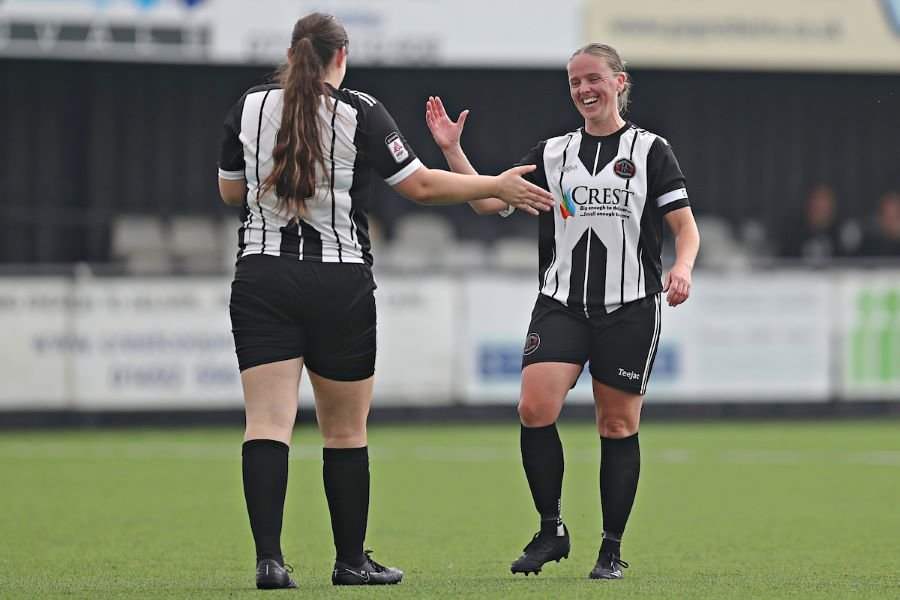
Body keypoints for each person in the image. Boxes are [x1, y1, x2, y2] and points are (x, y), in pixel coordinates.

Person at [216, 12, 553, 590]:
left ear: (293, 54)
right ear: (340, 56)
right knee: (344, 431)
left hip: (262, 280)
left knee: (266, 424)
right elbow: (419, 185)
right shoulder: (362, 112)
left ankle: (269, 561)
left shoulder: (248, 106)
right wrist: (495, 183)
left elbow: (229, 191)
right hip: (340, 284)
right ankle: (350, 563)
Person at [424, 43, 700, 580]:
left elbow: (684, 227)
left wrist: (683, 267)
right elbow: (489, 202)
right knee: (534, 408)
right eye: (574, 82)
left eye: (593, 79)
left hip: (631, 307)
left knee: (617, 424)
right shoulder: (553, 152)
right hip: (562, 304)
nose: (583, 90)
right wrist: (454, 152)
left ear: (620, 82)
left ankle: (611, 549)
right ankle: (551, 529)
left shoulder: (651, 151)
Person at [857, 191, 900, 258]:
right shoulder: (869, 244)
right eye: (887, 216)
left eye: (895, 216)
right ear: (879, 217)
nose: (890, 221)